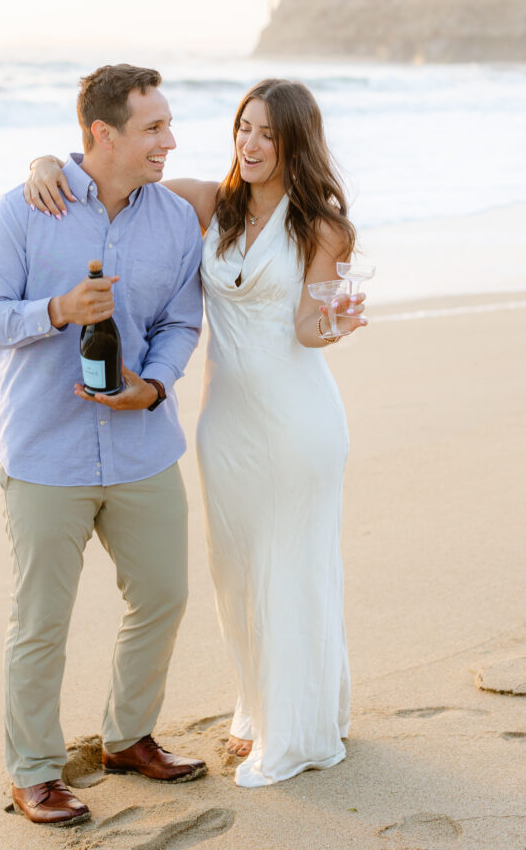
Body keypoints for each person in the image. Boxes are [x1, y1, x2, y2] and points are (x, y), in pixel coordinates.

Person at [25, 78, 367, 787]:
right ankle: (259, 705)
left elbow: (307, 329)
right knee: (237, 570)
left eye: (268, 133)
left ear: (296, 141)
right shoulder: (209, 202)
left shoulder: (321, 226)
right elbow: (109, 178)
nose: (250, 143)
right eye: (244, 126)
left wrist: (337, 323)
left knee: (290, 565)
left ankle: (295, 727)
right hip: (227, 423)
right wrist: (46, 165)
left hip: (297, 421)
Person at [0, 64, 207, 828]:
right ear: (102, 134)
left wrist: (155, 386)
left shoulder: (172, 218)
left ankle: (127, 736)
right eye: (153, 128)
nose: (169, 141)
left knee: (162, 595)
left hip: (142, 447)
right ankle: (34, 771)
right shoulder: (25, 209)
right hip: (46, 455)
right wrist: (57, 309)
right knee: (41, 619)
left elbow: (180, 323)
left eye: (167, 125)